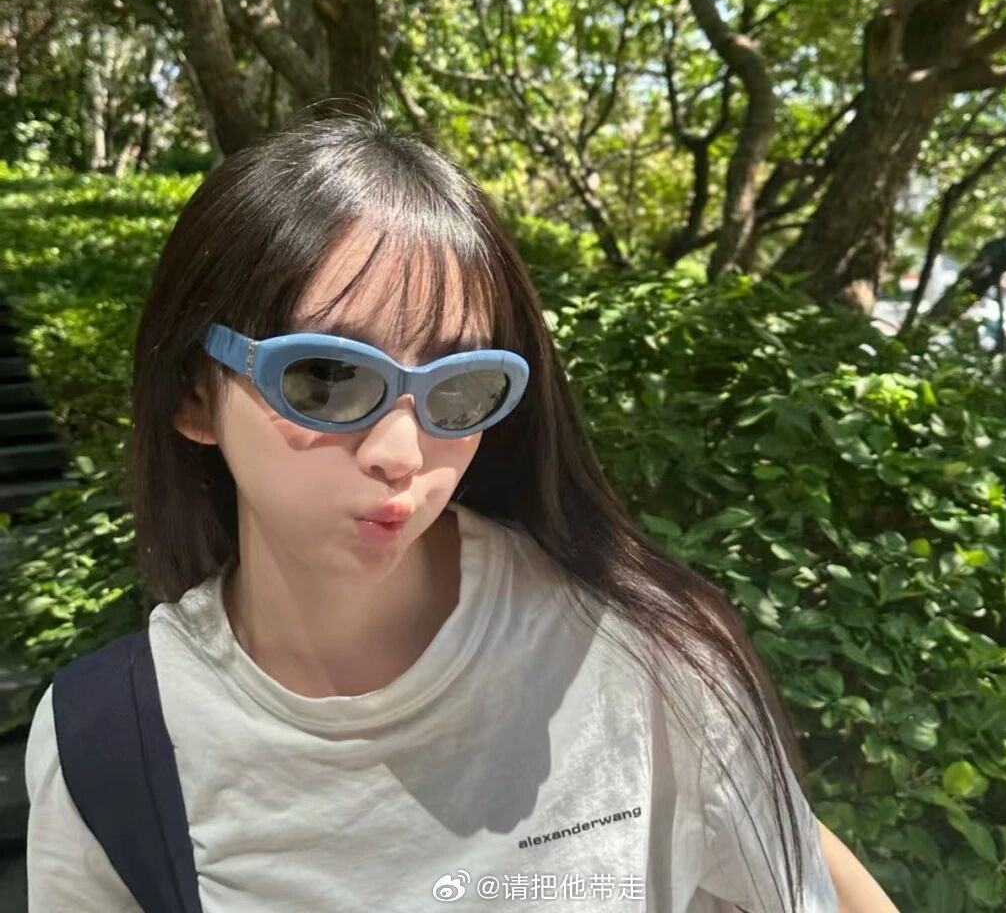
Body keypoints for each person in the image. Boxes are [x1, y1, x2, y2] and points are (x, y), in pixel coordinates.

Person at [24, 112, 896, 912]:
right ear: (193, 394)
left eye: (461, 388)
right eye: (326, 377)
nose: (401, 452)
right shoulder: (110, 744)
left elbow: (797, 870)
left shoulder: (643, 654)